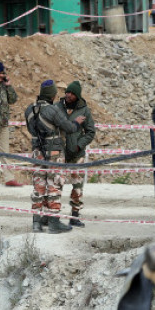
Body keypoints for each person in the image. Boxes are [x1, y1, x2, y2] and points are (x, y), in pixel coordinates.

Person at [25, 80, 85, 233]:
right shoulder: (52, 110)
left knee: (38, 186)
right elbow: (69, 128)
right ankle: (54, 222)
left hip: (37, 153)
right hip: (54, 153)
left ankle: (36, 223)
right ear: (52, 95)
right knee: (54, 185)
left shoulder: (29, 110)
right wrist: (77, 123)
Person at [60, 81, 96, 227]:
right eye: (67, 92)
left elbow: (90, 132)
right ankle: (51, 215)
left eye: (72, 93)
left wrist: (79, 144)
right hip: (60, 153)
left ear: (77, 95)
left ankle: (75, 216)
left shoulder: (84, 110)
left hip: (77, 154)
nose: (68, 95)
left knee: (77, 187)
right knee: (56, 184)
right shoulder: (58, 107)